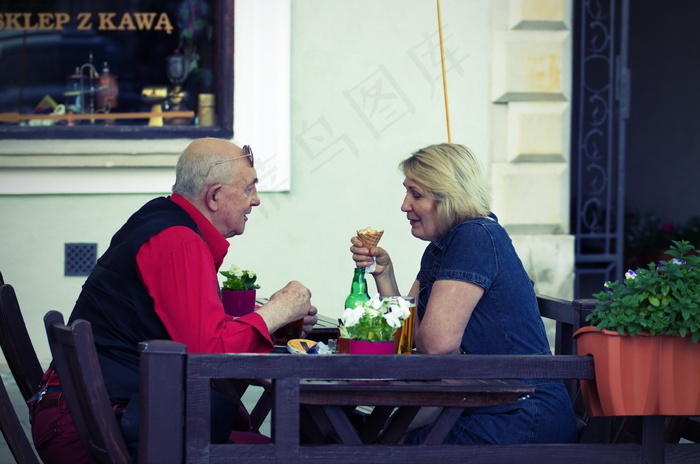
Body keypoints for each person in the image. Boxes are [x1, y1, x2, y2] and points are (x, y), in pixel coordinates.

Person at [30, 138, 318, 463]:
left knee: (265, 445)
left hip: (86, 414)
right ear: (214, 196)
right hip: (94, 427)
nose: (256, 201)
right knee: (281, 454)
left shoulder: (161, 217)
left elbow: (195, 332)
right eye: (249, 188)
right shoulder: (179, 241)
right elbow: (207, 355)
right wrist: (278, 309)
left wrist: (273, 321)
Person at [350, 142, 576, 445]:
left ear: (448, 198)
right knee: (375, 441)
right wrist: (385, 274)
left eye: (416, 194)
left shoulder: (475, 236)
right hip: (481, 404)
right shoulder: (440, 248)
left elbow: (436, 344)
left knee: (379, 446)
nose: (405, 205)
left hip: (519, 413)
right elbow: (408, 335)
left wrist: (435, 346)